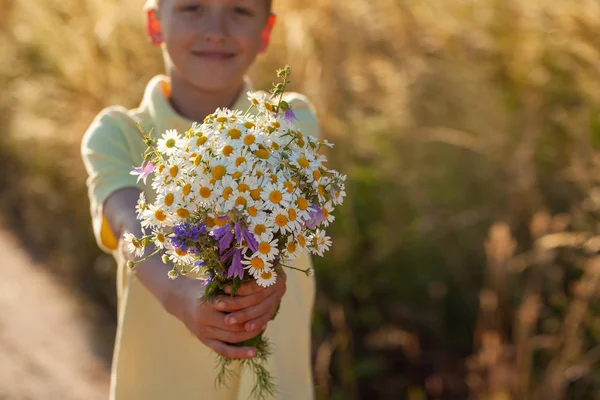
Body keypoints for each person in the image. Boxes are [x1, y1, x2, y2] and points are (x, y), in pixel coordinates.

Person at [80, 0, 320, 398]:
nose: (216, 29)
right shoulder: (118, 133)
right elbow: (127, 224)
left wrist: (267, 273)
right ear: (155, 22)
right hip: (162, 386)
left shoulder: (288, 119)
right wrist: (179, 295)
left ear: (265, 30)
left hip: (275, 385)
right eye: (192, 7)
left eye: (240, 11)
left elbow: (295, 215)